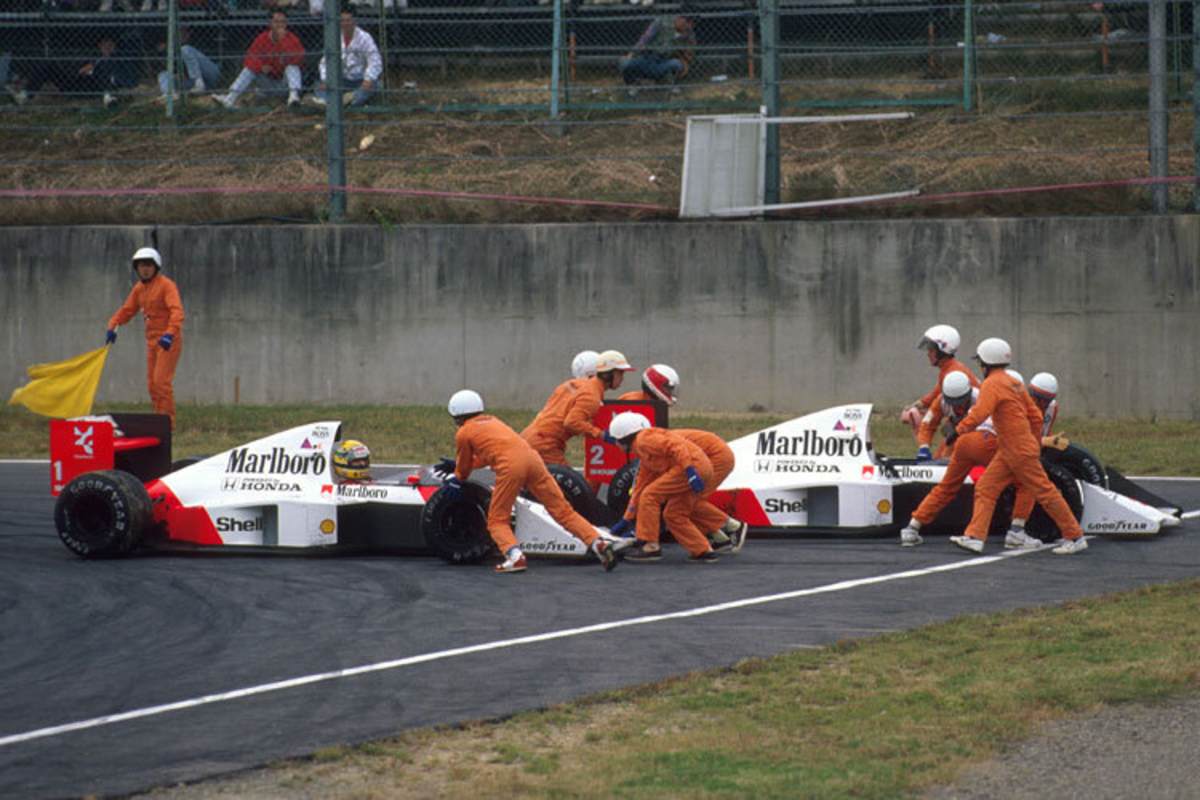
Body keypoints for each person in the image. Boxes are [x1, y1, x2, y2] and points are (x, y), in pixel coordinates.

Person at [443, 390, 617, 574]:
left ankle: (514, 555)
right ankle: (597, 542)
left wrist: (456, 476)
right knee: (563, 511)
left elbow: (463, 470)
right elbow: (490, 454)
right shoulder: (493, 421)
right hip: (533, 460)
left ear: (456, 415)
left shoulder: (464, 432)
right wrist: (459, 465)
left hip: (511, 467)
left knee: (496, 521)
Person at [949, 338, 1086, 555]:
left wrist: (957, 431)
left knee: (1045, 491)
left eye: (981, 363)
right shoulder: (1014, 383)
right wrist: (1033, 442)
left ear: (987, 362)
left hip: (1016, 450)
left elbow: (979, 413)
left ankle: (1075, 536)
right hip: (1012, 449)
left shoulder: (992, 384)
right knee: (986, 486)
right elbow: (1035, 416)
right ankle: (975, 537)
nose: (980, 367)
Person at [899, 371, 1008, 547]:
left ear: (968, 393)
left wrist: (956, 431)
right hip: (971, 444)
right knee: (959, 486)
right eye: (952, 402)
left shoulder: (980, 396)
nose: (957, 406)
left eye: (961, 402)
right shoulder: (942, 400)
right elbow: (928, 423)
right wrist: (924, 446)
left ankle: (913, 526)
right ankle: (1016, 529)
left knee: (951, 486)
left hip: (971, 440)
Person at [606, 412, 718, 563]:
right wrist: (627, 519)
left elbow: (676, 446)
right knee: (673, 514)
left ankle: (650, 545)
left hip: (692, 468)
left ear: (624, 436)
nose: (616, 445)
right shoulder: (645, 454)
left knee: (650, 495)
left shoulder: (644, 439)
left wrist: (689, 470)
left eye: (615, 441)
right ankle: (703, 550)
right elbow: (639, 487)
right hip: (699, 468)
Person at [105, 247, 185, 430]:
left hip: (168, 341)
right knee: (152, 385)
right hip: (152, 341)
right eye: (141, 265)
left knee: (161, 382)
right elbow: (127, 310)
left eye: (149, 265)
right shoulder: (139, 289)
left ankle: (168, 425)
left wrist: (170, 333)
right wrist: (113, 326)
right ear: (137, 268)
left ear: (156, 267)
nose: (145, 269)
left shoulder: (167, 285)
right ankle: (159, 421)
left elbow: (177, 311)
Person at [521, 349, 634, 467]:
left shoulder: (572, 384)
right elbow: (571, 423)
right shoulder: (592, 396)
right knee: (570, 484)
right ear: (609, 374)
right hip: (545, 445)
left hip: (528, 436)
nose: (622, 378)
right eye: (620, 373)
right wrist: (602, 435)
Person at [1007, 371, 1067, 542]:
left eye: (1045, 399)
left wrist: (1046, 442)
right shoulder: (1018, 405)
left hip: (1029, 452)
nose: (1040, 403)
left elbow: (1043, 433)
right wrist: (1046, 441)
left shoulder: (1052, 408)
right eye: (1036, 397)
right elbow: (1017, 437)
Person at [901, 324, 979, 453]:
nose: (928, 354)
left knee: (947, 458)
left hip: (972, 427)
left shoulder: (952, 372)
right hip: (964, 424)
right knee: (940, 457)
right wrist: (919, 404)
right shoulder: (950, 370)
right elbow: (936, 394)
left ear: (943, 350)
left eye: (931, 349)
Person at [213, 10, 304, 109]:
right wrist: (261, 67)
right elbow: (249, 58)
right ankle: (229, 99)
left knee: (292, 67)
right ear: (270, 23)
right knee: (250, 69)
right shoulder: (262, 38)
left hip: (285, 84)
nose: (280, 25)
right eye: (276, 22)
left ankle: (294, 99)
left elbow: (298, 59)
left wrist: (282, 41)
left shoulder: (291, 38)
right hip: (267, 84)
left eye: (283, 22)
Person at [311, 7, 382, 108]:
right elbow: (325, 61)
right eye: (342, 21)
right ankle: (342, 102)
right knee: (319, 86)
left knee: (373, 86)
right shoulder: (334, 37)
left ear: (354, 21)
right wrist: (326, 80)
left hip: (360, 79)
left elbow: (375, 60)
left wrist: (368, 79)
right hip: (341, 79)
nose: (345, 24)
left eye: (348, 20)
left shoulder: (365, 38)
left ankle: (337, 102)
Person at [618, 15, 695, 87]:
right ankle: (634, 83)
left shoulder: (688, 33)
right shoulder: (662, 22)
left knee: (677, 64)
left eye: (691, 24)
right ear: (679, 18)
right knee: (624, 63)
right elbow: (645, 39)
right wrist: (631, 54)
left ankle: (665, 82)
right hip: (647, 58)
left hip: (664, 62)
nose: (688, 26)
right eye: (687, 22)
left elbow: (689, 55)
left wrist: (685, 62)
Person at [157, 27, 220, 99]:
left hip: (209, 73)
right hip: (192, 82)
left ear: (189, 33)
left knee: (186, 49)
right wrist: (163, 51)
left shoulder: (199, 40)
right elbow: (171, 68)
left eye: (184, 32)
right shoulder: (172, 47)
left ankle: (199, 84)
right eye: (177, 33)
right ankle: (169, 94)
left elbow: (206, 61)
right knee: (163, 75)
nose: (181, 35)